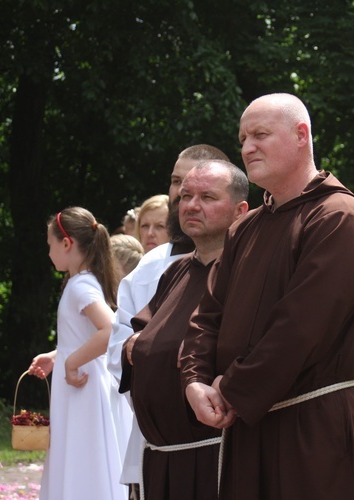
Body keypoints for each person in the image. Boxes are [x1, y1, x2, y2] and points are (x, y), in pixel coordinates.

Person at [181, 93, 354, 499]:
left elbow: (300, 329)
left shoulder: (337, 217)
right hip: (249, 426)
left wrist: (231, 390)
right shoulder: (245, 228)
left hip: (315, 431)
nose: (247, 148)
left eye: (260, 135)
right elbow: (208, 315)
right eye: (242, 138)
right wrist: (195, 381)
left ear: (301, 135)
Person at [119, 160, 249, 499]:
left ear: (240, 210)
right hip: (160, 458)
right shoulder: (175, 271)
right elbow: (137, 339)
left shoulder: (249, 275)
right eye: (186, 196)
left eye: (207, 197)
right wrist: (132, 347)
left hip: (216, 458)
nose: (191, 205)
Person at [28, 207, 129, 499]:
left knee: (83, 452)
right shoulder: (82, 282)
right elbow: (82, 337)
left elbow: (108, 329)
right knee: (81, 451)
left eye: (50, 244)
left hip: (82, 385)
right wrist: (58, 356)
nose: (48, 252)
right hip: (80, 383)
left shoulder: (80, 285)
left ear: (67, 243)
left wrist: (71, 362)